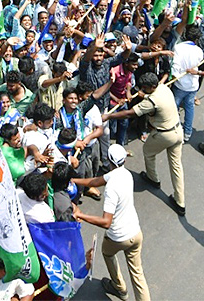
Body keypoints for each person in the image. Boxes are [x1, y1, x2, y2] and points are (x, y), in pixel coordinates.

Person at [72, 144, 148, 301]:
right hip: (135, 232)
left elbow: (106, 222)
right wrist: (74, 180)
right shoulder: (125, 174)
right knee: (138, 274)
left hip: (118, 237)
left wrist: (82, 215)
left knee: (107, 252)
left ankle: (119, 287)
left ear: (108, 160)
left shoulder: (112, 187)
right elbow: (96, 181)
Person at [103, 72, 185, 216]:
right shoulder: (164, 88)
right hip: (178, 130)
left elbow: (130, 113)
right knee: (176, 166)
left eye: (144, 88)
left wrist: (108, 116)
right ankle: (180, 202)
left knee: (148, 152)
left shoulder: (151, 101)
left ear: (151, 86)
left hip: (164, 134)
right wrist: (145, 95)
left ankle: (153, 179)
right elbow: (156, 99)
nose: (142, 90)